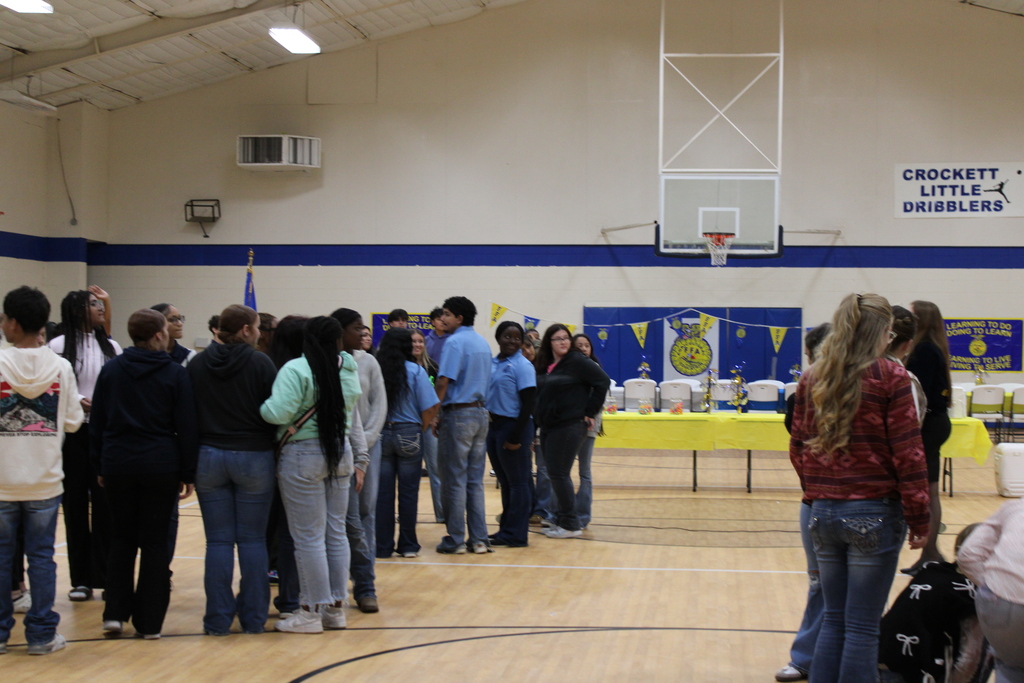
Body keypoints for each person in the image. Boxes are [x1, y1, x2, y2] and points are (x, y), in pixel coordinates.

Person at [789, 292, 930, 683]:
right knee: (863, 628)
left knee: (834, 619)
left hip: (823, 512)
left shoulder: (813, 376)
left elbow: (797, 446)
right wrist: (920, 516)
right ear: (884, 334)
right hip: (875, 514)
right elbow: (909, 454)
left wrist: (816, 493)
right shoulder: (893, 376)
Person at [90, 309, 199, 640]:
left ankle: (114, 614)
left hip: (119, 464)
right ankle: (150, 622)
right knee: (153, 544)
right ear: (157, 336)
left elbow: (98, 423)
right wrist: (188, 471)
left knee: (122, 539)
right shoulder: (174, 374)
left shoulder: (111, 370)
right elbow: (187, 426)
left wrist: (99, 465)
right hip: (160, 466)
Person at [260, 317, 368, 634]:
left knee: (308, 537)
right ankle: (335, 610)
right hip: (341, 451)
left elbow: (276, 413)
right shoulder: (348, 369)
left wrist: (263, 406)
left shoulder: (296, 370)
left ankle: (309, 611)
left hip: (303, 455)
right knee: (335, 533)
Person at [0, 286, 84, 655]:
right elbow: (71, 423)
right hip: (45, 481)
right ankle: (40, 635)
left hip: (2, 481)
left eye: (4, 318)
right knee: (41, 559)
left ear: (14, 323)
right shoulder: (60, 366)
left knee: (2, 560)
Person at [187, 305, 277, 635]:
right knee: (253, 541)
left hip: (209, 456)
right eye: (256, 327)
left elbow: (188, 414)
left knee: (219, 543)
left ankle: (217, 620)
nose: (260, 333)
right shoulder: (260, 363)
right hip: (254, 456)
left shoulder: (197, 364)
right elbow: (275, 410)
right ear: (244, 330)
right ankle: (253, 619)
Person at [49, 286, 121, 603]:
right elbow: (55, 385)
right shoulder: (58, 345)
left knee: (105, 505)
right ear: (78, 310)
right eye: (94, 305)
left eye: (100, 305)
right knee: (75, 505)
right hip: (74, 432)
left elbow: (117, 383)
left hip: (104, 433)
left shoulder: (112, 345)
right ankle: (80, 579)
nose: (100, 309)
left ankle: (104, 575)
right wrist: (79, 401)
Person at [777, 322, 831, 683]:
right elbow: (798, 450)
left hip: (864, 504)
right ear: (812, 355)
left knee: (854, 594)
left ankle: (857, 658)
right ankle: (807, 658)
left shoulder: (874, 385)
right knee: (820, 584)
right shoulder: (801, 396)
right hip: (817, 500)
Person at [878, 524, 993, 683]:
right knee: (990, 642)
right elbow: (969, 659)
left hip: (878, 661)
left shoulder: (932, 570)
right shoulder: (972, 593)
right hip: (913, 674)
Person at [331, 308, 386, 614]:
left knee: (364, 514)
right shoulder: (328, 365)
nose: (364, 333)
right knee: (342, 521)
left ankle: (365, 585)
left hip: (367, 446)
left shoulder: (369, 362)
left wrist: (363, 446)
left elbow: (379, 406)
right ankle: (334, 586)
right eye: (357, 328)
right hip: (336, 451)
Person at [533, 324, 610, 539]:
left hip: (570, 424)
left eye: (566, 338)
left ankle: (570, 523)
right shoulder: (544, 364)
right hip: (547, 425)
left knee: (559, 473)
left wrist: (590, 411)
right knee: (553, 473)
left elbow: (602, 381)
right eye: (558, 339)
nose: (563, 342)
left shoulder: (577, 361)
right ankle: (560, 518)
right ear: (549, 342)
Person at [433, 296, 493, 555]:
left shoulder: (454, 342)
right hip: (480, 415)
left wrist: (434, 413)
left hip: (458, 415)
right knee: (474, 481)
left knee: (454, 480)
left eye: (447, 314)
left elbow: (443, 380)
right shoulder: (482, 343)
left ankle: (456, 539)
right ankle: (479, 540)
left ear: (459, 318)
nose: (442, 318)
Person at [374, 328, 439, 558]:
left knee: (383, 494)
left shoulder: (377, 371)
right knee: (409, 493)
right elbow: (430, 406)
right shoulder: (416, 371)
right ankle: (408, 545)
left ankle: (382, 546)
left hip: (381, 433)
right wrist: (419, 428)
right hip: (409, 432)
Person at [903, 300, 952, 575]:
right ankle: (931, 553)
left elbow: (917, 398)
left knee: (929, 490)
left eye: (911, 315)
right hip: (936, 421)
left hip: (929, 424)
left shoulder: (923, 351)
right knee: (930, 490)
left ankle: (929, 552)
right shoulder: (933, 347)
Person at [264, 315, 308, 620]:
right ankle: (293, 598)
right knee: (296, 531)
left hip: (265, 455)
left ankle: (255, 600)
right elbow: (276, 413)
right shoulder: (302, 369)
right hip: (292, 456)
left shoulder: (267, 365)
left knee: (265, 529)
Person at [957, 499, 1024, 683]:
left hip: (997, 604)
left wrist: (996, 588)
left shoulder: (1014, 506)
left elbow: (967, 555)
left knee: (1010, 668)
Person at [486, 322, 536, 547]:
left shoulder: (522, 365)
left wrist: (515, 438)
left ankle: (517, 534)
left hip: (514, 426)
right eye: (508, 336)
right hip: (494, 426)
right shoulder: (494, 362)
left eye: (517, 338)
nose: (512, 341)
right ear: (498, 338)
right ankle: (506, 529)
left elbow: (528, 405)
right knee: (506, 482)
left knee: (518, 483)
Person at [412, 328, 444, 524]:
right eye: (413, 342)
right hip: (409, 424)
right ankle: (409, 514)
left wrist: (436, 417)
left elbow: (439, 395)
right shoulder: (402, 367)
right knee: (410, 472)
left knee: (436, 470)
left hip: (429, 423)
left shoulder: (432, 366)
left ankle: (441, 514)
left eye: (420, 341)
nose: (417, 345)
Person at [571, 333, 602, 530]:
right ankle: (564, 512)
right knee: (561, 471)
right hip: (569, 426)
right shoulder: (568, 369)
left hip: (588, 426)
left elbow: (598, 399)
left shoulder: (595, 369)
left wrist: (587, 416)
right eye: (579, 345)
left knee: (584, 471)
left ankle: (583, 515)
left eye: (586, 345)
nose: (583, 348)